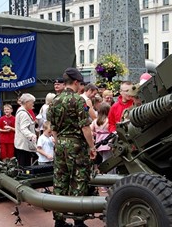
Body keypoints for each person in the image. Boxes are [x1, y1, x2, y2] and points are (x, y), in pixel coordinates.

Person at [47, 68, 96, 227]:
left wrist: (59, 141)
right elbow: (85, 128)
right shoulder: (78, 100)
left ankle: (59, 221)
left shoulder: (54, 100)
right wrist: (92, 147)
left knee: (60, 181)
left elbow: (52, 127)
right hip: (76, 146)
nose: (81, 87)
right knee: (78, 181)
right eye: (81, 84)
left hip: (60, 144)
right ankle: (78, 221)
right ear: (76, 82)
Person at [90, 102, 115, 174]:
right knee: (108, 161)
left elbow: (90, 129)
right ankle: (109, 176)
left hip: (99, 143)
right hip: (108, 141)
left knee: (104, 158)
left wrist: (95, 134)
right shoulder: (109, 120)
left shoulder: (96, 121)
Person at [15, 93, 37, 167]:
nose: (33, 104)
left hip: (21, 144)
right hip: (23, 145)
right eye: (32, 102)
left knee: (23, 164)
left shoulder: (22, 111)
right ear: (27, 102)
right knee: (24, 166)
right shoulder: (23, 114)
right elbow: (23, 128)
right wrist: (31, 135)